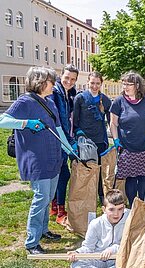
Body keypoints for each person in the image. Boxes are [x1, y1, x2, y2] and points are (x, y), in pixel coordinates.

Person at [0, 66, 75, 254]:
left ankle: (43, 231)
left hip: (53, 157)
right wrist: (25, 123)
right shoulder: (24, 101)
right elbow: (2, 121)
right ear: (40, 82)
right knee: (41, 198)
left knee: (49, 196)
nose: (54, 84)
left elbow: (58, 130)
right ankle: (31, 242)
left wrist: (69, 148)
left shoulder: (50, 102)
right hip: (37, 159)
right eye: (51, 81)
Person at [110, 71, 145, 207]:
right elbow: (113, 123)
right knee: (130, 179)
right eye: (124, 83)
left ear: (137, 85)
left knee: (144, 178)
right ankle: (132, 206)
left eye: (129, 84)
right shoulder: (119, 101)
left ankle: (142, 207)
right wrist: (116, 139)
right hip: (127, 148)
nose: (125, 87)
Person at [67, 189, 130, 268]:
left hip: (120, 258)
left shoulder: (130, 218)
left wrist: (113, 249)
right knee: (75, 266)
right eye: (111, 209)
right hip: (98, 258)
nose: (116, 214)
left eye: (120, 209)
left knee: (134, 264)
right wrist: (77, 253)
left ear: (124, 208)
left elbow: (131, 243)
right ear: (104, 209)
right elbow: (88, 247)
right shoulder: (96, 223)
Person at [73, 71, 112, 203]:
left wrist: (116, 137)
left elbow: (112, 121)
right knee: (86, 168)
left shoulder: (105, 100)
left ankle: (101, 195)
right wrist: (77, 132)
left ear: (101, 84)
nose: (94, 86)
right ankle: (85, 195)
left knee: (100, 169)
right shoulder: (80, 98)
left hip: (100, 140)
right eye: (92, 83)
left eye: (97, 83)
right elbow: (75, 120)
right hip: (85, 141)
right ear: (88, 83)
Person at [50, 64, 79, 226]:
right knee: (63, 174)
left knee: (59, 173)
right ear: (61, 76)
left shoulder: (69, 94)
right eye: (67, 77)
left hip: (66, 137)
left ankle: (54, 205)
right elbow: (57, 119)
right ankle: (60, 211)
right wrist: (68, 141)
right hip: (58, 139)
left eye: (73, 79)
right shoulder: (55, 93)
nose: (69, 81)